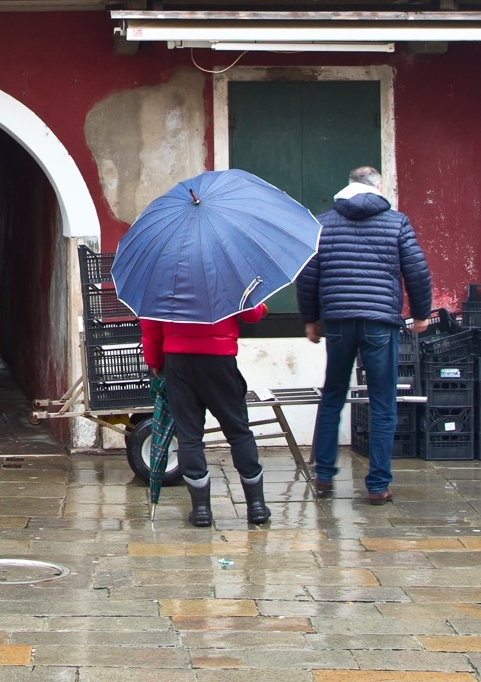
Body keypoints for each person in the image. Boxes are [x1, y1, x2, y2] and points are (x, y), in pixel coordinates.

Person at [297, 166, 433, 505]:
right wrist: (420, 314)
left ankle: (324, 475)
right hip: (380, 323)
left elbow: (307, 275)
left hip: (340, 322)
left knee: (332, 396)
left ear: (347, 186)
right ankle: (377, 485)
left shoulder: (323, 223)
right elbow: (416, 270)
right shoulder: (396, 222)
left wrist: (311, 320)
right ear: (378, 187)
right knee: (383, 402)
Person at [140, 301, 272, 528]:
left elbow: (150, 326)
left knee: (189, 435)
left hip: (178, 360)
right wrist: (262, 308)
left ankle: (201, 510)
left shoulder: (165, 276)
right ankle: (257, 506)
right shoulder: (225, 270)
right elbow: (251, 314)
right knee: (238, 430)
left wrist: (154, 361)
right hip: (219, 360)